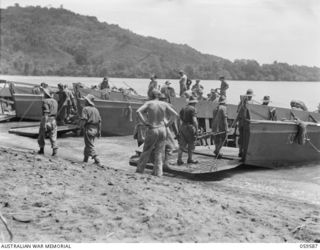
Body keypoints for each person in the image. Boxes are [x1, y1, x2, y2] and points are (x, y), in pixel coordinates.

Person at [136, 89, 178, 177]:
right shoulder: (164, 104)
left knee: (146, 150)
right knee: (159, 152)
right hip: (162, 129)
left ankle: (140, 170)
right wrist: (168, 124)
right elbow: (175, 115)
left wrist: (144, 122)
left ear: (151, 96)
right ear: (159, 96)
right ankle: (158, 173)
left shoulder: (149, 103)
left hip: (153, 128)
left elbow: (138, 111)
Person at [80, 94, 103, 167]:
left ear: (87, 101)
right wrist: (99, 132)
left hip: (88, 128)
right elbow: (99, 122)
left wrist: (81, 127)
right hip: (95, 129)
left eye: (85, 100)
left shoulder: (85, 109)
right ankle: (85, 160)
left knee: (90, 146)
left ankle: (97, 160)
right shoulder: (96, 109)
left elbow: (84, 120)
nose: (84, 101)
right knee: (88, 144)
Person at [177, 96, 199, 165]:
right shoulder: (193, 109)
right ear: (194, 103)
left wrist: (179, 129)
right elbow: (194, 121)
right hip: (190, 127)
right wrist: (197, 130)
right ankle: (190, 159)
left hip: (183, 127)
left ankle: (179, 160)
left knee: (182, 145)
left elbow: (178, 119)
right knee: (191, 144)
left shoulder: (183, 108)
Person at [37, 88, 58, 156]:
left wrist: (45, 124)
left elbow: (46, 113)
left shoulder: (45, 101)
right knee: (53, 136)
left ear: (46, 94)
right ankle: (55, 151)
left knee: (41, 136)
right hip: (53, 120)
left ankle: (41, 150)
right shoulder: (55, 101)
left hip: (46, 119)